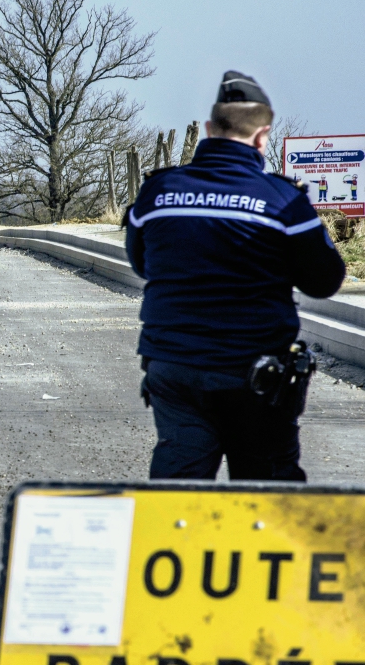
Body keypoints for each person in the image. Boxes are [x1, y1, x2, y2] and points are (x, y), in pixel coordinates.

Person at [125, 70, 345, 481]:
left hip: (174, 368)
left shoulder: (157, 192)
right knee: (267, 498)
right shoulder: (283, 201)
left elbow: (142, 264)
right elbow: (324, 281)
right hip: (256, 377)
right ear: (262, 137)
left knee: (176, 492)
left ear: (209, 129)